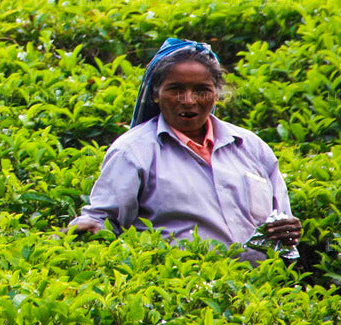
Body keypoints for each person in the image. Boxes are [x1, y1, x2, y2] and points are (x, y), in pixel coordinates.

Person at [69, 38, 302, 262]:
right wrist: (86, 228)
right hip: (184, 288)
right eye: (175, 89)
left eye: (201, 90)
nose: (189, 100)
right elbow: (103, 219)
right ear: (155, 94)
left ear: (217, 92)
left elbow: (280, 221)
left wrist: (286, 230)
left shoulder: (250, 146)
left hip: (261, 289)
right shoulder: (133, 151)